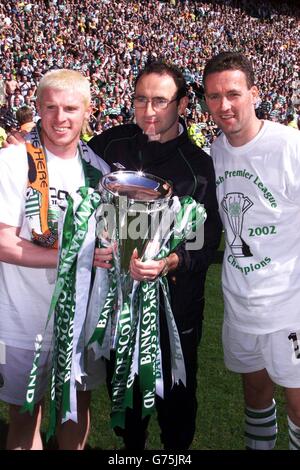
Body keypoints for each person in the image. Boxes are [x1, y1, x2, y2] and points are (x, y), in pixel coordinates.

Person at [90, 60, 222, 450]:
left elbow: (205, 239)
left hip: (175, 309)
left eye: (161, 101)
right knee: (127, 411)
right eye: (141, 99)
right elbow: (67, 163)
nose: (149, 111)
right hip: (118, 309)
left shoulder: (198, 168)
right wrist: (24, 144)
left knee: (176, 410)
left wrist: (170, 262)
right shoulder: (109, 145)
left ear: (182, 105)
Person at [0, 69, 109, 450]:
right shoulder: (12, 161)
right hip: (21, 320)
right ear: (38, 109)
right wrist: (73, 255)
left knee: (75, 412)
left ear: (88, 111)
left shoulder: (99, 170)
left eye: (70, 108)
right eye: (50, 107)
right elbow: (3, 243)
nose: (60, 117)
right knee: (24, 418)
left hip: (80, 324)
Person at [203, 51, 300, 450]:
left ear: (254, 93)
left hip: (289, 306)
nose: (223, 105)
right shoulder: (216, 151)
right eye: (213, 96)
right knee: (255, 400)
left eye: (233, 93)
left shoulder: (289, 145)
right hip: (241, 301)